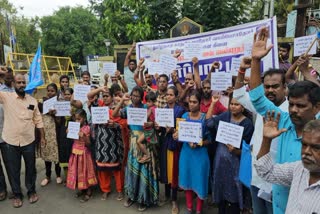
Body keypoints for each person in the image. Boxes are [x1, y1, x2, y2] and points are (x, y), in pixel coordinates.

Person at [249, 27, 320, 213]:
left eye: (301, 106)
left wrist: (306, 71)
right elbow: (256, 97)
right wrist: (256, 60)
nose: (294, 110)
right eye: (291, 105)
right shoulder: (283, 119)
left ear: (317, 107)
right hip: (281, 204)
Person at [233, 57, 288, 214]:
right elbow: (239, 94)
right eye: (267, 86)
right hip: (256, 176)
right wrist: (242, 70)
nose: (270, 90)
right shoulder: (260, 106)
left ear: (285, 88)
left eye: (275, 86)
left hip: (278, 182)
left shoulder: (291, 112)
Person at [255, 114, 320, 213]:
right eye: (304, 145)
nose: (306, 151)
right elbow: (266, 171)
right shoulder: (299, 169)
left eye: (315, 148)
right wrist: (266, 140)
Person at [0, 74, 45, 208]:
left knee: (31, 168)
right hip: (10, 141)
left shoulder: (32, 101)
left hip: (28, 141)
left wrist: (42, 137)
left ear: (26, 84)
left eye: (23, 82)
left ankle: (31, 191)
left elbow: (38, 120)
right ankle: (17, 194)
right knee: (14, 170)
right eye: (18, 82)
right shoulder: (6, 97)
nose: (21, 85)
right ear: (13, 83)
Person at [112, 86, 159, 211]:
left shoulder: (146, 108)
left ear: (141, 97)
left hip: (144, 142)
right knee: (132, 170)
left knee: (144, 170)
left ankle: (143, 199)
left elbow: (155, 123)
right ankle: (132, 196)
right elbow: (114, 114)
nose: (134, 97)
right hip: (133, 142)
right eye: (133, 95)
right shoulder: (128, 108)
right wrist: (122, 100)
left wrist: (151, 124)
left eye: (137, 96)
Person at [206, 96, 254, 213]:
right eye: (231, 104)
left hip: (236, 164)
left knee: (234, 192)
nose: (233, 106)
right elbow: (209, 123)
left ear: (243, 107)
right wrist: (213, 104)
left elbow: (248, 150)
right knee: (221, 191)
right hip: (220, 161)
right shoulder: (226, 115)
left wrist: (236, 151)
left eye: (236, 104)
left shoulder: (247, 124)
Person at [172, 90, 210, 214]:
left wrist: (199, 143)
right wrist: (176, 135)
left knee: (200, 180)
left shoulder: (205, 118)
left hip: (200, 155)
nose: (191, 104)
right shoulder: (184, 117)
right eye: (190, 102)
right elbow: (179, 134)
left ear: (200, 103)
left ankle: (199, 210)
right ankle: (189, 208)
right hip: (187, 154)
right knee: (187, 179)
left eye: (194, 102)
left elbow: (210, 140)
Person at [87, 86, 124, 201]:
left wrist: (115, 125)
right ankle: (105, 190)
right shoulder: (99, 107)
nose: (105, 98)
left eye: (107, 96)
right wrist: (100, 89)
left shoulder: (119, 109)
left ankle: (119, 190)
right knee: (102, 169)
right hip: (101, 143)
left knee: (117, 169)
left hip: (114, 143)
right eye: (104, 96)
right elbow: (89, 96)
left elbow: (124, 124)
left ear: (113, 97)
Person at [157, 86, 185, 214]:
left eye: (171, 95)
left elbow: (182, 129)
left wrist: (172, 130)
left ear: (176, 96)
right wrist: (158, 126)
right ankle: (167, 195)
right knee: (165, 168)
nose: (168, 97)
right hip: (164, 143)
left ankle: (174, 200)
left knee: (173, 170)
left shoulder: (181, 110)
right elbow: (160, 127)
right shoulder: (163, 110)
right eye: (167, 95)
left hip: (175, 144)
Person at [66, 109, 98, 202]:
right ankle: (81, 188)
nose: (77, 121)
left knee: (85, 171)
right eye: (75, 119)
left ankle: (88, 190)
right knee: (77, 171)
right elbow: (73, 140)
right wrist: (69, 132)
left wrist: (84, 136)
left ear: (84, 119)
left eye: (79, 119)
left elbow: (88, 143)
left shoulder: (87, 128)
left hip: (84, 153)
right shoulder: (73, 126)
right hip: (75, 152)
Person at [39, 83, 62, 186]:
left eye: (52, 91)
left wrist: (55, 114)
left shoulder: (60, 104)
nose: (50, 92)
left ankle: (58, 175)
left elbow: (60, 122)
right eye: (48, 90)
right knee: (47, 154)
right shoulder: (42, 102)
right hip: (46, 133)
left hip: (56, 133)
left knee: (56, 155)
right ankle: (47, 176)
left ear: (56, 92)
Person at [0, 71, 14, 201]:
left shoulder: (15, 91)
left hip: (7, 133)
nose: (8, 77)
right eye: (5, 75)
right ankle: (2, 189)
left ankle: (15, 189)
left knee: (10, 163)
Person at [57, 87, 75, 181]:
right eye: (65, 94)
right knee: (64, 151)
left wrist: (73, 114)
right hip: (63, 130)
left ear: (72, 95)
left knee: (72, 150)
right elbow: (58, 121)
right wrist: (57, 114)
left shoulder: (75, 105)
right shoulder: (60, 105)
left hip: (73, 129)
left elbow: (78, 119)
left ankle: (74, 176)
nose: (67, 96)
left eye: (69, 94)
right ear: (63, 95)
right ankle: (67, 177)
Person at [136, 91, 157, 163]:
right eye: (146, 102)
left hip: (149, 130)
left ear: (154, 102)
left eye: (149, 102)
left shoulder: (151, 109)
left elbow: (145, 117)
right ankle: (147, 155)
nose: (147, 104)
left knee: (139, 141)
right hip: (149, 129)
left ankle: (147, 155)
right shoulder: (154, 108)